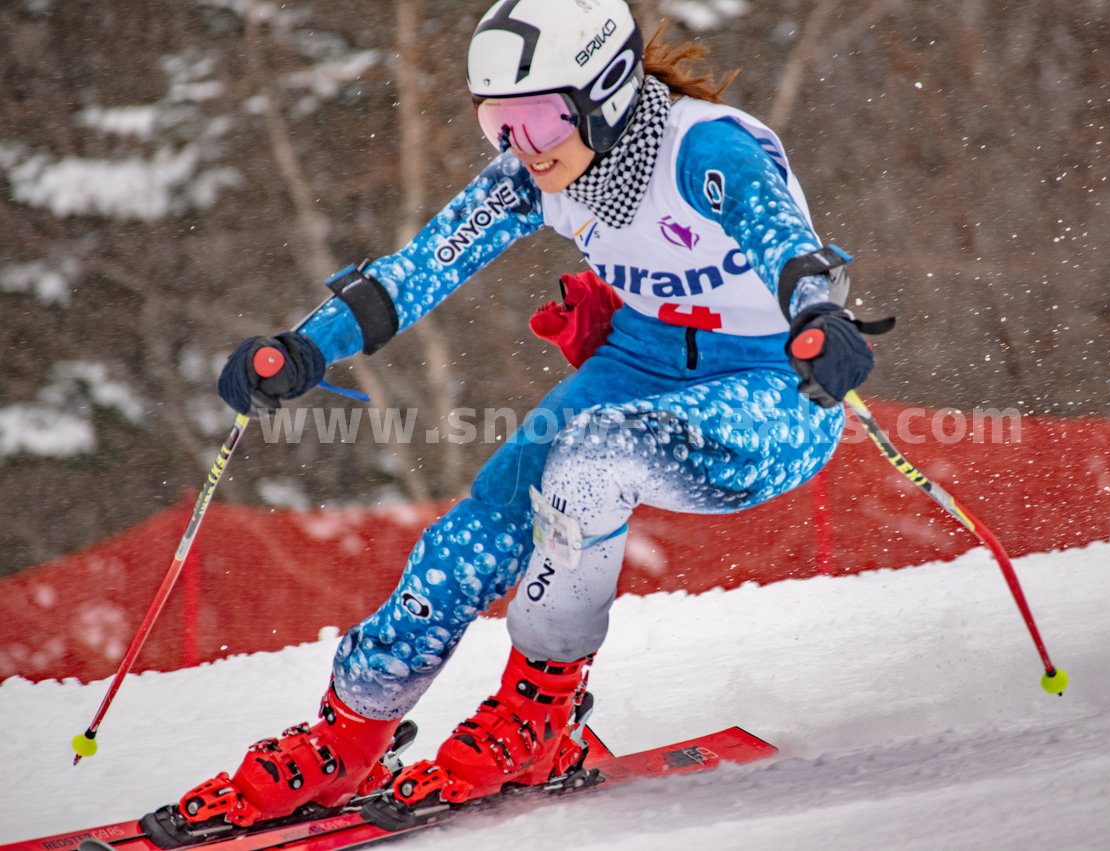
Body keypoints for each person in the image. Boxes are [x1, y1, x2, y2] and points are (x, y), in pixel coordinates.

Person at [168, 0, 876, 833]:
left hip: (772, 392)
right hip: (641, 365)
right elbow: (417, 270)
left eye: (538, 117)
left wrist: (819, 317)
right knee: (475, 529)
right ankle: (348, 735)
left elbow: (787, 244)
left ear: (608, 90)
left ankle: (537, 714)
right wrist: (305, 349)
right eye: (496, 121)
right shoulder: (535, 173)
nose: (522, 146)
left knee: (593, 458)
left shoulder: (707, 146)